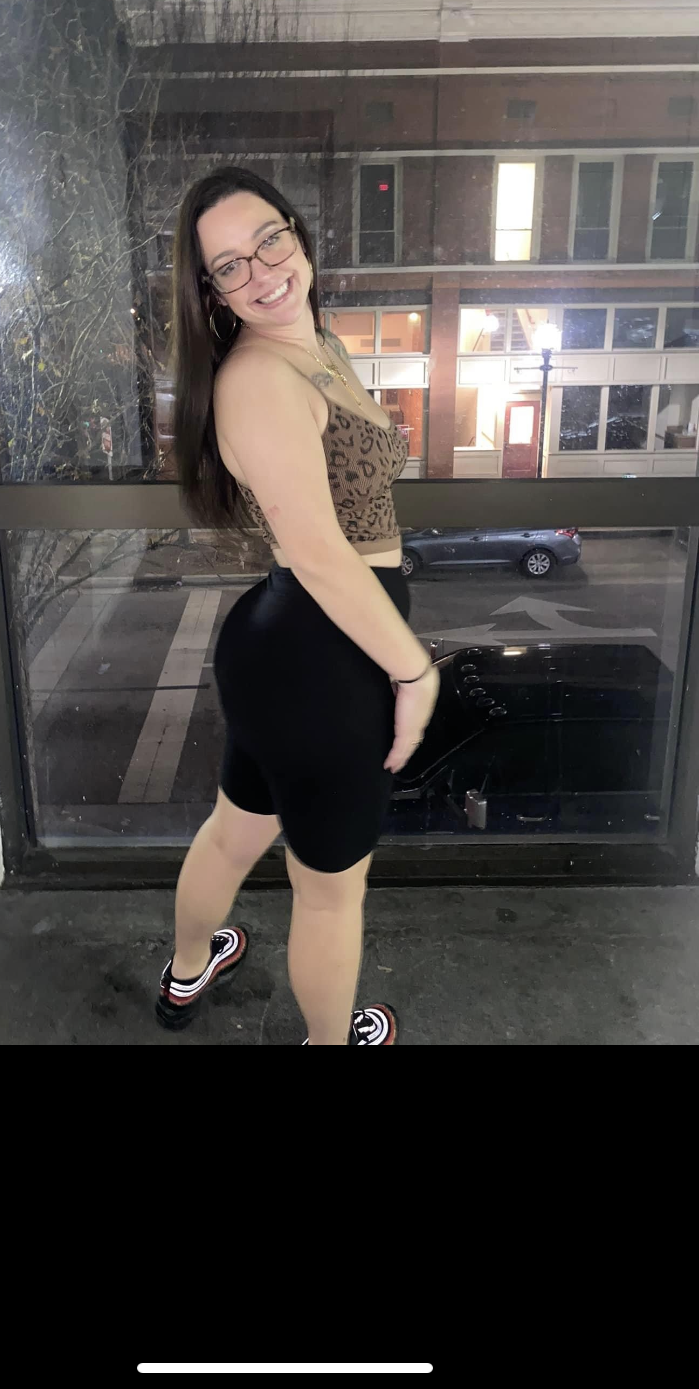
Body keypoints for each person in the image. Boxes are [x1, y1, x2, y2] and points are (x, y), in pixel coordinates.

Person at [155, 168, 439, 1045]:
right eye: (229, 266)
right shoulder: (256, 381)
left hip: (294, 648)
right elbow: (318, 553)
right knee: (329, 891)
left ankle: (186, 972)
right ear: (211, 292)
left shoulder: (315, 345)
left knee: (235, 832)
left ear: (297, 233)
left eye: (269, 240)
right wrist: (415, 671)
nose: (262, 271)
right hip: (325, 663)